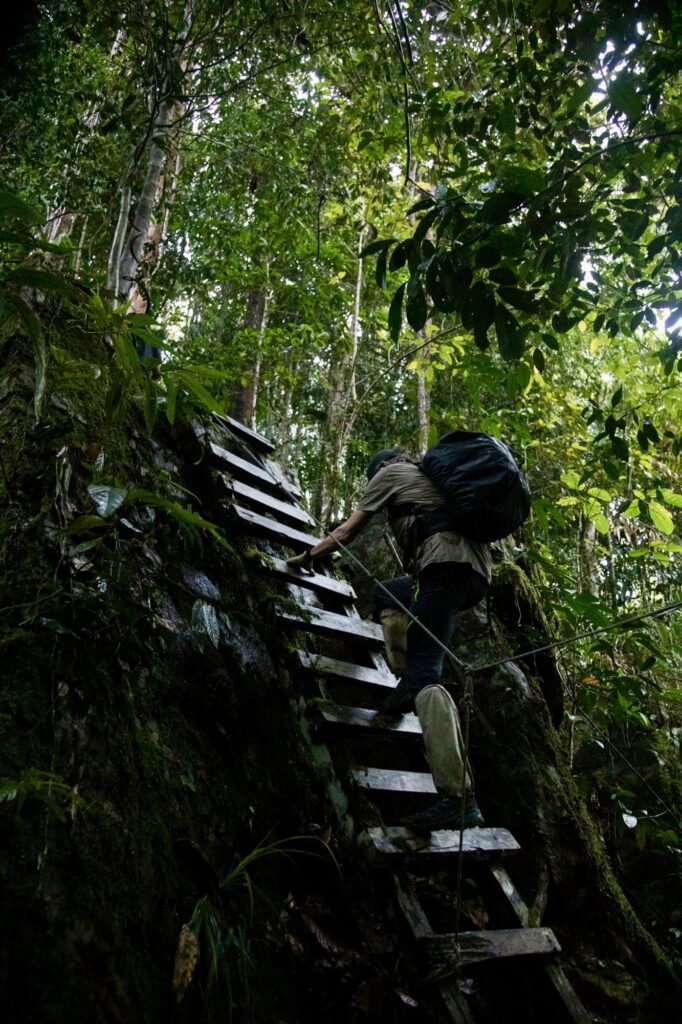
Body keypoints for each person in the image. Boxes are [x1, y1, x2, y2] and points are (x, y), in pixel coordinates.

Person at [287, 449, 493, 832]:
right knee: (389, 592)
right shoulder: (432, 479)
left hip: (443, 566)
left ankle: (458, 798)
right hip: (471, 573)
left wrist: (310, 555)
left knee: (428, 679)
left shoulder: (390, 473)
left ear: (380, 468)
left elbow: (348, 531)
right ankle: (405, 678)